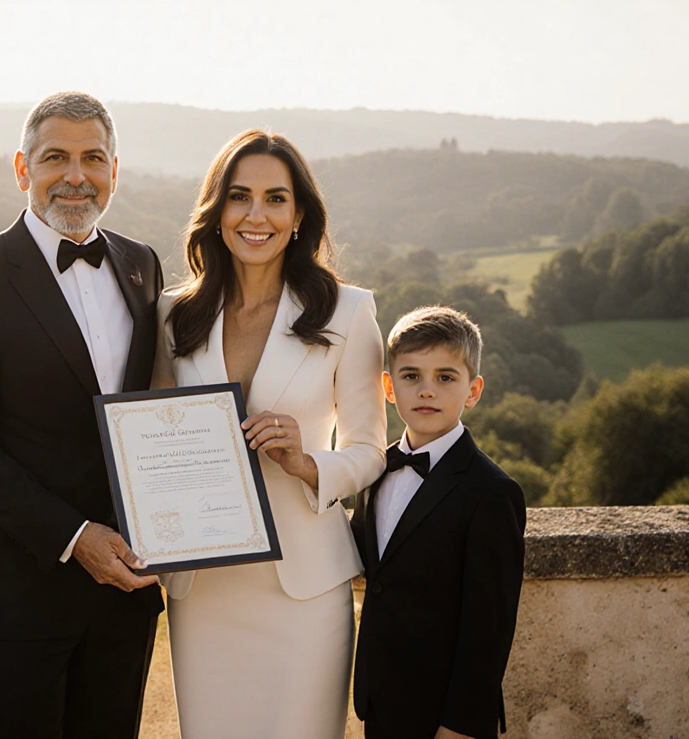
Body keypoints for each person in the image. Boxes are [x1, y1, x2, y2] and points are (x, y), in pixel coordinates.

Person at [0, 91, 165, 739]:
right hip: (19, 597)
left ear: (115, 168)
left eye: (93, 157)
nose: (76, 175)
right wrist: (73, 536)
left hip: (126, 591)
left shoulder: (142, 266)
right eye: (56, 157)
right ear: (23, 169)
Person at [151, 129, 387, 738]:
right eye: (239, 197)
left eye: (275, 198)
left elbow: (368, 452)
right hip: (203, 592)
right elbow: (149, 440)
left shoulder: (349, 312)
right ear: (217, 211)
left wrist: (310, 463)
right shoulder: (173, 314)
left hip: (305, 588)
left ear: (299, 213)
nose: (257, 215)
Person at [351, 305, 526, 739]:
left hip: (447, 716)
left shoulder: (492, 493)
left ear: (473, 390)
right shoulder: (372, 471)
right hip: (382, 700)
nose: (426, 390)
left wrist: (460, 725)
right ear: (389, 387)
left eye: (445, 377)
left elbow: (489, 628)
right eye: (411, 376)